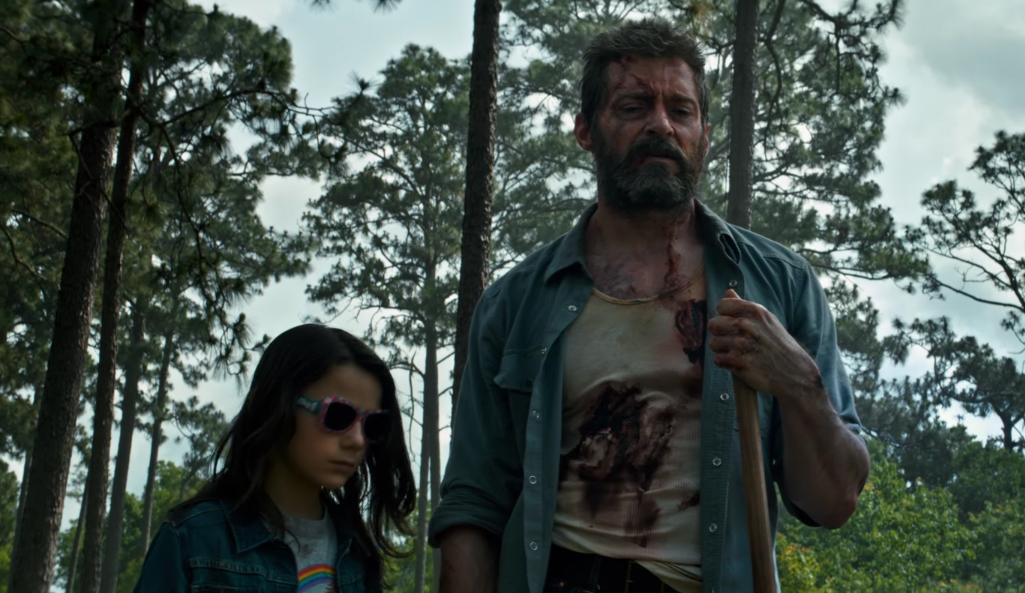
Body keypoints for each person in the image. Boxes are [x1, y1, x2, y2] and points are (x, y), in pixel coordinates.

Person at [431, 17, 871, 593]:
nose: (660, 124)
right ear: (586, 130)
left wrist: (799, 385)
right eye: (633, 106)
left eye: (680, 110)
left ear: (704, 135)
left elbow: (834, 502)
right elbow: (474, 503)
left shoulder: (779, 285)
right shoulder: (515, 305)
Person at [131, 324, 417, 592]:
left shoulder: (358, 553)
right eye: (338, 415)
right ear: (266, 405)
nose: (357, 440)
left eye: (372, 425)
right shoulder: (192, 542)